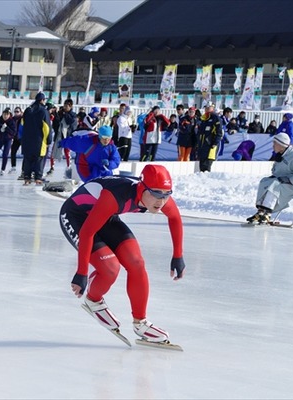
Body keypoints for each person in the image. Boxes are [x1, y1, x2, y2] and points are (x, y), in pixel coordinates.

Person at [59, 164, 185, 343]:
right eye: (156, 194)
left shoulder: (159, 197)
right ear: (142, 188)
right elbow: (87, 232)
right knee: (110, 268)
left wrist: (178, 255)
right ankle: (93, 300)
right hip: (76, 217)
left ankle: (140, 322)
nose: (161, 201)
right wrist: (82, 272)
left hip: (105, 217)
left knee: (137, 263)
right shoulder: (116, 195)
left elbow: (175, 218)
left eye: (166, 194)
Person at [246, 132, 293, 224]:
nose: (273, 145)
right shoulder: (282, 155)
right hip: (284, 183)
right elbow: (279, 172)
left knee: (275, 185)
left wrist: (290, 180)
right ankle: (261, 211)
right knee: (265, 182)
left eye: (275, 143)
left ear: (281, 144)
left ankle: (267, 213)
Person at [20, 92, 52, 185]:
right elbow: (47, 127)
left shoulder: (27, 110)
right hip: (39, 139)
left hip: (26, 139)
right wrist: (48, 140)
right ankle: (38, 178)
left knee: (28, 159)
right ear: (42, 100)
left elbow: (22, 124)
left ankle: (27, 178)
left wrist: (21, 137)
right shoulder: (43, 111)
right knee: (39, 159)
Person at [196, 103, 223, 172]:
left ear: (213, 108)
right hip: (202, 146)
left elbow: (219, 132)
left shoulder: (215, 118)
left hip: (210, 145)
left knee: (207, 167)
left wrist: (215, 143)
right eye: (206, 108)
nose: (207, 109)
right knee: (201, 167)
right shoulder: (203, 118)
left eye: (209, 107)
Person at [8, 107, 24, 175]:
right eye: (15, 111)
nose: (16, 113)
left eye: (18, 111)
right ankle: (13, 166)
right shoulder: (12, 119)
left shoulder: (23, 119)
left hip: (22, 138)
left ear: (20, 112)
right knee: (13, 152)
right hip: (15, 138)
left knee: (25, 153)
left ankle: (24, 169)